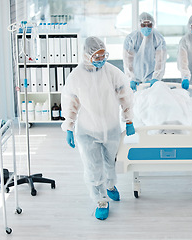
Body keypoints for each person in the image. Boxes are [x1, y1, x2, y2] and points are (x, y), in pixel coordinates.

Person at [61, 36, 135, 221]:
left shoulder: (112, 72)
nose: (101, 60)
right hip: (87, 130)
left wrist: (129, 120)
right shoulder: (76, 77)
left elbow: (126, 95)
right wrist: (69, 126)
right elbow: (71, 102)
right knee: (93, 166)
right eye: (97, 56)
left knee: (110, 162)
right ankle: (101, 200)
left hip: (110, 128)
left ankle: (110, 185)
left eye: (104, 55)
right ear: (87, 55)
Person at [123, 12, 167, 91]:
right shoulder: (131, 39)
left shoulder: (158, 38)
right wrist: (131, 78)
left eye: (149, 25)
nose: (146, 27)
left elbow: (160, 60)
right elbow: (127, 60)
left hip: (151, 81)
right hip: (135, 81)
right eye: (143, 25)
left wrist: (156, 77)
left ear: (153, 25)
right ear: (139, 25)